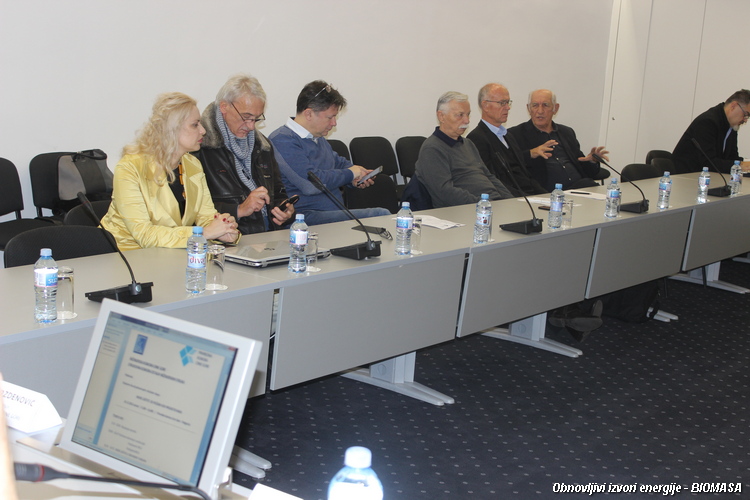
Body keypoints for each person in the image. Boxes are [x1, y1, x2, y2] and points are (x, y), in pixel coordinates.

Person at [101, 92, 239, 251]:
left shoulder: (193, 165)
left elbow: (206, 216)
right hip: (123, 255)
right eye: (195, 125)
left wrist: (223, 230)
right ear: (172, 129)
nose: (203, 130)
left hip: (169, 254)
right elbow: (144, 235)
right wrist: (203, 233)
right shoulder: (129, 167)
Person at [268, 80, 390, 225]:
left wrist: (357, 176)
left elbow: (339, 163)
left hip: (331, 213)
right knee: (381, 215)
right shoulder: (282, 140)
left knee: (381, 216)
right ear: (308, 114)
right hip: (305, 216)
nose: (334, 123)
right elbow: (311, 184)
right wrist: (351, 174)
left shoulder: (317, 137)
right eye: (330, 117)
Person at [193, 74, 294, 235]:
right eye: (246, 118)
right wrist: (238, 210)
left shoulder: (263, 146)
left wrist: (284, 211)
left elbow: (278, 191)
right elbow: (191, 210)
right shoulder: (199, 147)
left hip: (269, 235)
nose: (251, 126)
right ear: (224, 107)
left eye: (256, 119)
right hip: (230, 238)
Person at [413, 91, 513, 208]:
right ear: (441, 116)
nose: (467, 121)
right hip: (466, 209)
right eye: (460, 115)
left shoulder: (468, 144)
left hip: (490, 204)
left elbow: (489, 177)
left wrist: (510, 200)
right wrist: (484, 205)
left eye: (468, 114)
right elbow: (445, 193)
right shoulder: (432, 149)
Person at [508, 89, 608, 192]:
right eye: (535, 105)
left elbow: (585, 170)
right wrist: (531, 153)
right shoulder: (515, 134)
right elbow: (509, 166)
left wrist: (592, 160)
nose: (540, 111)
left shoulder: (566, 132)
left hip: (579, 188)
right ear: (529, 108)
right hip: (546, 193)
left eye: (545, 105)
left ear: (555, 108)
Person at [467, 83, 547, 196]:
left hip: (528, 196)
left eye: (508, 102)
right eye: (502, 103)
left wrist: (545, 195)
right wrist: (523, 198)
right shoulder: (477, 138)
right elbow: (492, 181)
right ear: (485, 106)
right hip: (510, 199)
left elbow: (525, 175)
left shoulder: (508, 136)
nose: (508, 107)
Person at [672, 89, 750, 173]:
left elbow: (731, 158)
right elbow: (708, 163)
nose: (745, 120)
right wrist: (740, 165)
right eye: (745, 114)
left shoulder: (732, 126)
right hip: (685, 176)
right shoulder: (707, 122)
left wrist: (745, 164)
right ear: (733, 106)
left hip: (707, 177)